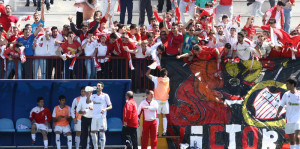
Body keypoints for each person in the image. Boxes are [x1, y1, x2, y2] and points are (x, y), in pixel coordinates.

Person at [276, 77, 300, 149]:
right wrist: (278, 113)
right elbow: (281, 105)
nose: (286, 85)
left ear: (293, 84)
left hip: (298, 119)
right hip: (289, 119)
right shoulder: (286, 94)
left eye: (287, 84)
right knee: (292, 140)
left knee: (297, 137)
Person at [146, 68, 170, 136]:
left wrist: (150, 68)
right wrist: (159, 67)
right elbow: (163, 72)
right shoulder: (168, 79)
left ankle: (156, 132)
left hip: (157, 101)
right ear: (166, 74)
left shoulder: (156, 79)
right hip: (165, 100)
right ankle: (165, 132)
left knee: (157, 116)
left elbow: (147, 74)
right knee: (164, 116)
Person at [90, 82, 112, 149]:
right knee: (93, 132)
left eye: (99, 86)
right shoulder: (93, 96)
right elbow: (88, 102)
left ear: (102, 87)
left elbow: (110, 106)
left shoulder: (105, 95)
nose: (97, 87)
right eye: (97, 86)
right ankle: (96, 147)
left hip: (101, 117)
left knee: (101, 132)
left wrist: (105, 109)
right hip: (94, 117)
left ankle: (102, 148)